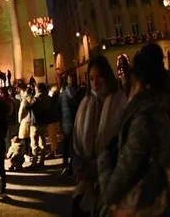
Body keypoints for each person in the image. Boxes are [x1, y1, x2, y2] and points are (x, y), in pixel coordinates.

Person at [97, 43, 170, 216]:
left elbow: (115, 187)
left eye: (131, 84)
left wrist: (103, 159)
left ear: (139, 83)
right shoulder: (162, 108)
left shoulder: (143, 118)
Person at [72, 55, 127, 216]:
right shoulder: (85, 103)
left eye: (99, 77)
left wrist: (98, 166)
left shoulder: (120, 102)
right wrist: (78, 164)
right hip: (85, 184)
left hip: (110, 185)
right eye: (91, 78)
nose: (95, 82)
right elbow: (76, 140)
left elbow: (122, 144)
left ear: (107, 76)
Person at [59, 74, 84, 176]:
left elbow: (58, 109)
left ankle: (66, 166)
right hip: (78, 123)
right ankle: (75, 166)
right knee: (76, 147)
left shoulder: (62, 95)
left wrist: (60, 122)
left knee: (66, 146)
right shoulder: (81, 93)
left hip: (66, 124)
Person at [25, 83, 52, 167]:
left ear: (37, 89)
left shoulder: (36, 98)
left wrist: (27, 101)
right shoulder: (47, 98)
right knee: (42, 141)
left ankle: (35, 162)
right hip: (44, 122)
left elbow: (28, 107)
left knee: (34, 143)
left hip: (35, 122)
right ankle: (42, 161)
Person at [18, 87, 36, 157]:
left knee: (24, 138)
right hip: (32, 121)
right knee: (30, 138)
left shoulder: (24, 101)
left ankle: (26, 154)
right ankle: (31, 152)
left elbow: (21, 112)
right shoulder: (33, 100)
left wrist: (19, 120)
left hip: (25, 121)